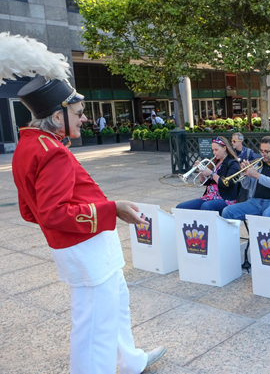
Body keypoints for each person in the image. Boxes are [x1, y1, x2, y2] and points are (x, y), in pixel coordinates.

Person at [11, 75, 166, 371]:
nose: (85, 119)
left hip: (80, 244)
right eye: (79, 113)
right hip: (85, 246)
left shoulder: (29, 144)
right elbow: (52, 213)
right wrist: (112, 209)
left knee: (115, 305)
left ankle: (131, 361)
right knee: (95, 327)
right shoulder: (52, 151)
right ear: (58, 116)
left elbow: (29, 211)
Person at [222, 136, 270, 220]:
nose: (263, 154)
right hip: (255, 201)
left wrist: (256, 175)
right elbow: (247, 186)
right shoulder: (258, 163)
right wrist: (244, 174)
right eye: (261, 151)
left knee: (267, 215)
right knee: (227, 211)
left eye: (266, 151)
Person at [176, 136, 241, 214]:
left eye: (216, 150)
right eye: (213, 150)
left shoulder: (233, 163)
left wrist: (211, 173)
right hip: (209, 197)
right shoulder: (215, 162)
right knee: (180, 207)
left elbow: (226, 184)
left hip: (225, 198)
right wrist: (201, 172)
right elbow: (205, 183)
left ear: (224, 148)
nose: (214, 153)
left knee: (206, 206)